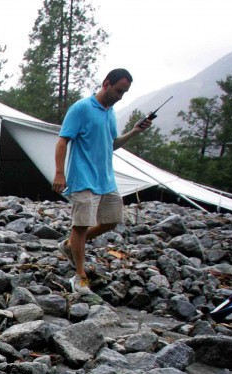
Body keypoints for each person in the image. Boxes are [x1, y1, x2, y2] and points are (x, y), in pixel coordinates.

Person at [52, 68, 151, 294]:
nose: (120, 96)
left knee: (111, 220)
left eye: (124, 93)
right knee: (81, 225)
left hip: (106, 178)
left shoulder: (110, 112)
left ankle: (69, 246)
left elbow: (112, 144)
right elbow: (62, 141)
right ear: (106, 84)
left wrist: (135, 131)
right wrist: (59, 172)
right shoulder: (81, 108)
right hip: (83, 178)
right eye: (118, 91)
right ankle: (79, 275)